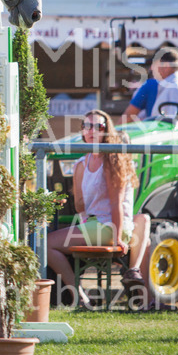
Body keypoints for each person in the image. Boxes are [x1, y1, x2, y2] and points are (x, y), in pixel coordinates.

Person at [46, 110, 146, 309]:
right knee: (48, 241)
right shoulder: (81, 164)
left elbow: (117, 203)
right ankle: (81, 296)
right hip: (94, 224)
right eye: (87, 126)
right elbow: (80, 206)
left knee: (46, 244)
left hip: (109, 227)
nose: (91, 131)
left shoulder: (111, 159)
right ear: (82, 131)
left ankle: (80, 297)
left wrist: (117, 237)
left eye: (98, 127)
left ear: (106, 131)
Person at [123, 47, 178, 121]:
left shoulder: (173, 87)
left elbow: (172, 122)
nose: (151, 68)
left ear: (166, 66)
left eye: (154, 64)